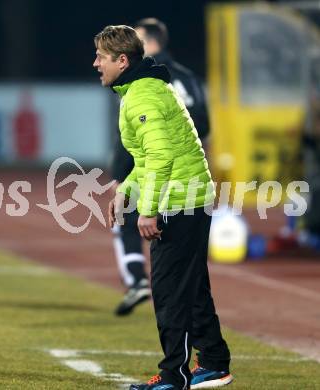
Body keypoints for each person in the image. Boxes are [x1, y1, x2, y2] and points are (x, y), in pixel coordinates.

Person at [93, 25, 232, 390]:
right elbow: (147, 158)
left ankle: (174, 376)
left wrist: (148, 209)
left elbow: (161, 156)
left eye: (101, 57)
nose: (96, 64)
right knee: (193, 286)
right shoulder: (144, 89)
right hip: (190, 195)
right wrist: (127, 188)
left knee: (170, 293)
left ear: (122, 61)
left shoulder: (142, 96)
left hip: (180, 201)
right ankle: (215, 362)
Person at [110, 17, 211, 316]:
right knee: (190, 271)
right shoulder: (185, 77)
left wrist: (122, 177)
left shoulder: (142, 82)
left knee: (168, 275)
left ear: (152, 43)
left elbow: (138, 141)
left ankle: (138, 280)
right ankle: (209, 355)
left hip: (154, 171)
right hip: (188, 173)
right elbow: (204, 124)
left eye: (136, 41)